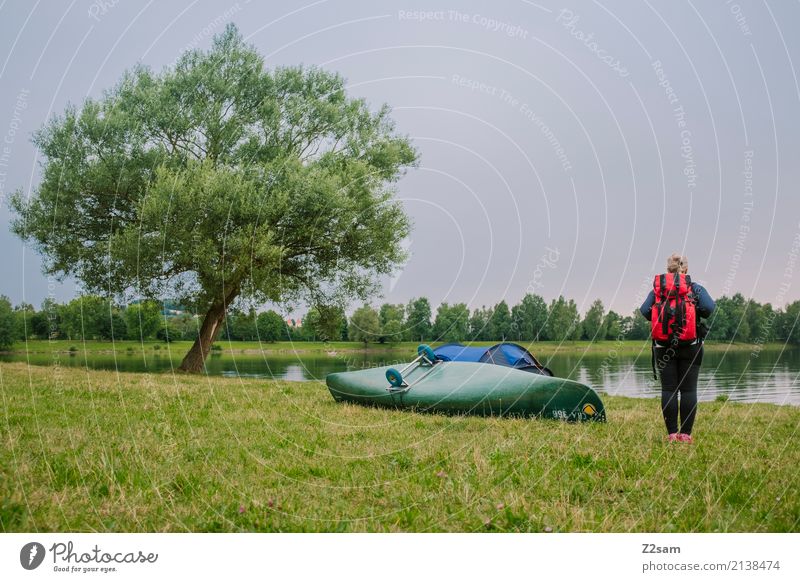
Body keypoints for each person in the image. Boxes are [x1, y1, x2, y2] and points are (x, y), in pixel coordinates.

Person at [640, 253, 715, 443]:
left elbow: (645, 311)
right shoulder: (694, 288)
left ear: (668, 270)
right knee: (689, 391)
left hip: (663, 347)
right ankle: (686, 435)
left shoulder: (659, 290)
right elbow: (709, 308)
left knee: (669, 390)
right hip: (691, 345)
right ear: (686, 269)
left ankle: (672, 434)